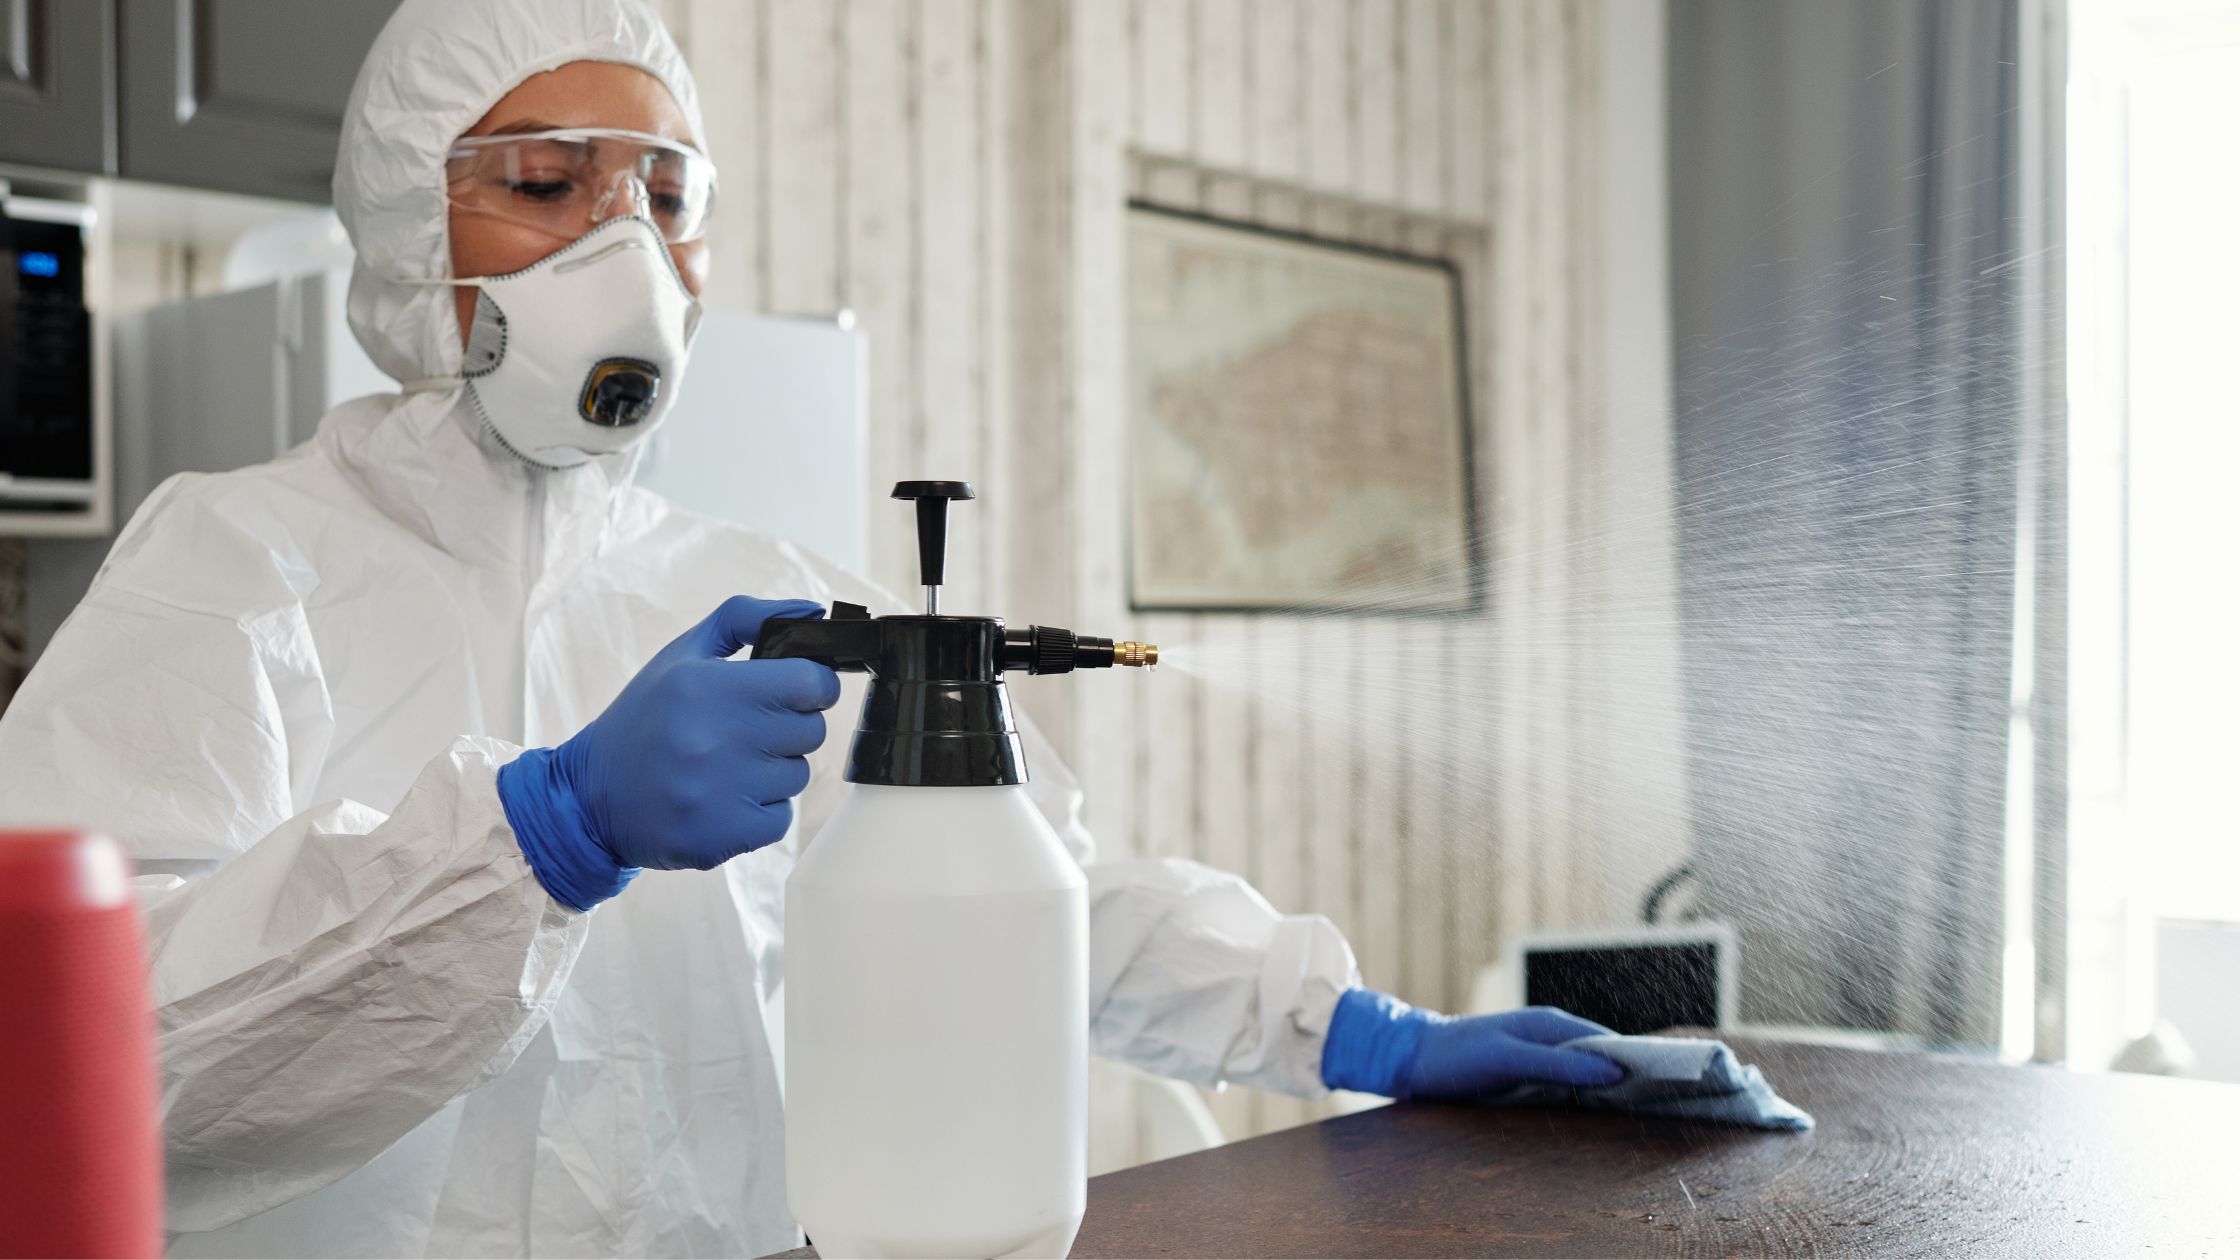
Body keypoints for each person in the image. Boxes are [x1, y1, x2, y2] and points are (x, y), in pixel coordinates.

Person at [0, 1, 1621, 1255]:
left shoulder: (746, 586)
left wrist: (1357, 1028)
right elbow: (87, 1063)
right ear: (412, 227)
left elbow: (1019, 900)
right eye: (549, 184)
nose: (620, 250)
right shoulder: (237, 568)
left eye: (665, 196)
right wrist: (539, 835)